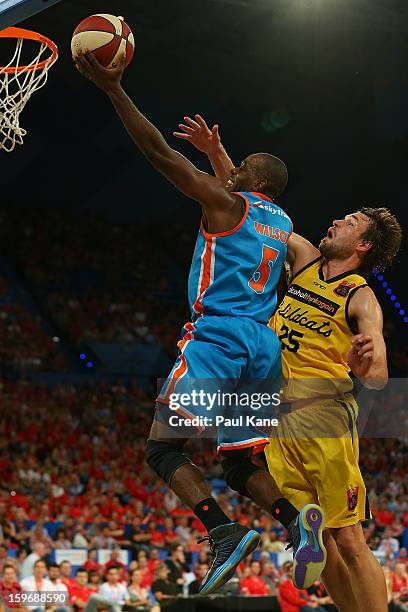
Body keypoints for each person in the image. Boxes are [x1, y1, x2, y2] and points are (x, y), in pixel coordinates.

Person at [74, 51, 326, 596]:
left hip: (219, 337)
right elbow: (239, 195)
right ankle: (293, 521)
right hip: (263, 350)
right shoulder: (280, 221)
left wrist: (114, 90)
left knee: (163, 449)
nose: (229, 172)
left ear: (248, 179)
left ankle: (223, 531)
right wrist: (219, 154)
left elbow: (160, 154)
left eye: (238, 169)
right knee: (237, 463)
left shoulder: (225, 201)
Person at [177, 114, 402, 612]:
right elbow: (248, 206)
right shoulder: (301, 260)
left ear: (362, 246)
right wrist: (216, 155)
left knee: (349, 541)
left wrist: (370, 365)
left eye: (349, 223)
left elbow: (381, 369)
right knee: (318, 542)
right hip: (278, 420)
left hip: (324, 417)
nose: (336, 221)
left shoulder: (360, 295)